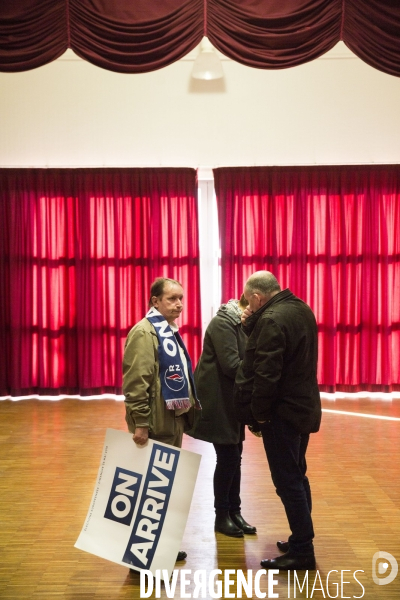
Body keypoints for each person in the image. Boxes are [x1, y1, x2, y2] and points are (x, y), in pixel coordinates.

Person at [234, 271, 321, 570]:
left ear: (256, 297)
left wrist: (258, 414)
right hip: (303, 408)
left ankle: (303, 550)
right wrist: (251, 322)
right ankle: (301, 537)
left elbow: (266, 373)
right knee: (297, 475)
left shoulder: (270, 319)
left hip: (282, 413)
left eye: (249, 301)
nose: (248, 305)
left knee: (288, 482)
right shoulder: (299, 306)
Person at [123, 277, 200, 562]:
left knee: (163, 488)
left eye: (181, 298)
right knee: (152, 490)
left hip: (171, 420)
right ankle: (141, 557)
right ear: (155, 301)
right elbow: (136, 382)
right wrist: (141, 422)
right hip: (156, 423)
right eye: (172, 298)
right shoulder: (145, 332)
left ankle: (158, 547)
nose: (179, 304)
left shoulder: (166, 331)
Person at [187, 297, 257, 538]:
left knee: (235, 455)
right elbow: (231, 365)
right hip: (217, 401)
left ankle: (235, 512)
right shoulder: (223, 323)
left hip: (231, 400)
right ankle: (221, 516)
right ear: (248, 304)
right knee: (228, 457)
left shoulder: (241, 324)